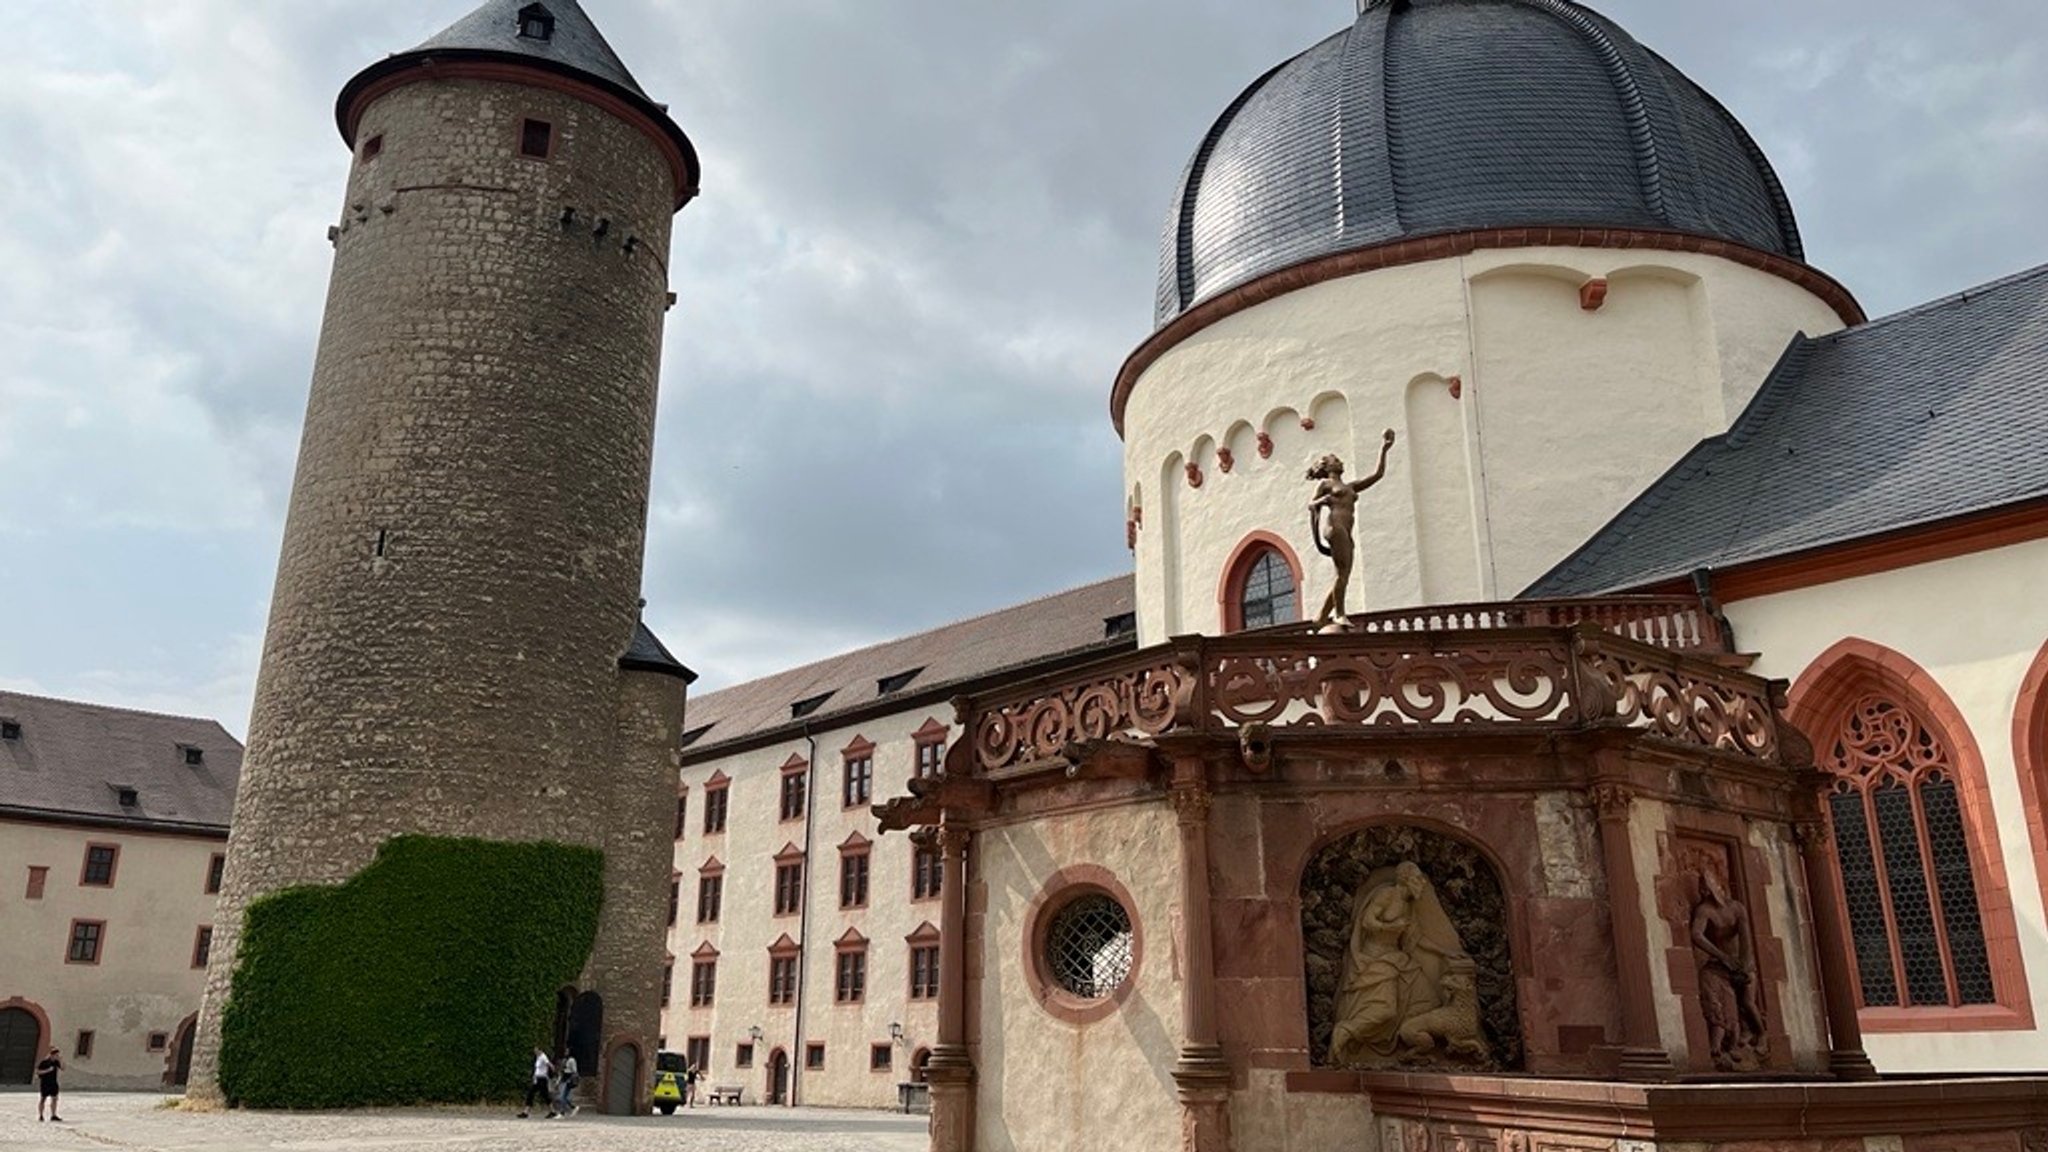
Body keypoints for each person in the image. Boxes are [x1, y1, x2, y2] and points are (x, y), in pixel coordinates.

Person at [1306, 429, 1398, 629]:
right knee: (1341, 573)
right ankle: (1339, 614)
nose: (1340, 462)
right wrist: (1324, 499)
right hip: (1335, 526)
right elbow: (1311, 505)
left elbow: (1377, 475)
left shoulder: (1350, 487)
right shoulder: (1326, 484)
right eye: (1335, 460)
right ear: (1327, 466)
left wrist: (1384, 449)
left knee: (1344, 574)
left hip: (1345, 530)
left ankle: (1322, 615)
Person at [517, 1046, 557, 1119]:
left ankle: (552, 1111)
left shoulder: (543, 1057)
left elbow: (549, 1064)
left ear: (540, 1050)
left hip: (542, 1079)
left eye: (536, 1050)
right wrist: (534, 1077)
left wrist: (553, 1071)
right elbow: (537, 1069)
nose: (535, 1052)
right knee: (531, 1093)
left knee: (545, 1095)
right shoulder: (538, 1057)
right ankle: (525, 1112)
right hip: (537, 1079)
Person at [37, 1047, 63, 1122]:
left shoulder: (56, 1062)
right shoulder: (44, 1062)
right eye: (56, 1055)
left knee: (54, 1099)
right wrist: (47, 1070)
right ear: (52, 1055)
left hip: (53, 1083)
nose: (57, 1056)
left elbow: (63, 1068)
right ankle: (41, 1115)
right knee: (43, 1099)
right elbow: (38, 1072)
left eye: (58, 1055)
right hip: (45, 1083)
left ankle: (53, 1115)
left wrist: (61, 1060)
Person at [554, 1052, 579, 1117]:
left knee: (562, 1097)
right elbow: (561, 1073)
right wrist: (557, 1082)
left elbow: (574, 1071)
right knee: (563, 1097)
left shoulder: (571, 1060)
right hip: (564, 1080)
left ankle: (562, 1112)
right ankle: (573, 1107)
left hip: (568, 1080)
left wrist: (569, 1073)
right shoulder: (564, 1060)